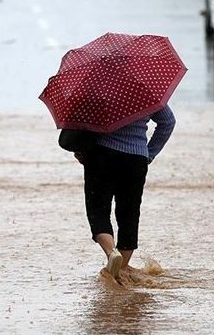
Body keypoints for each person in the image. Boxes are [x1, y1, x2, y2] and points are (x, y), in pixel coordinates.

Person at [75, 104, 175, 280]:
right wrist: (148, 153)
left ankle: (112, 253)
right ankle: (122, 268)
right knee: (129, 213)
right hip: (135, 159)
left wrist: (80, 150)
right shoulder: (144, 90)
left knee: (98, 209)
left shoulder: (95, 89)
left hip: (100, 155)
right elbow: (168, 122)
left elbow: (79, 124)